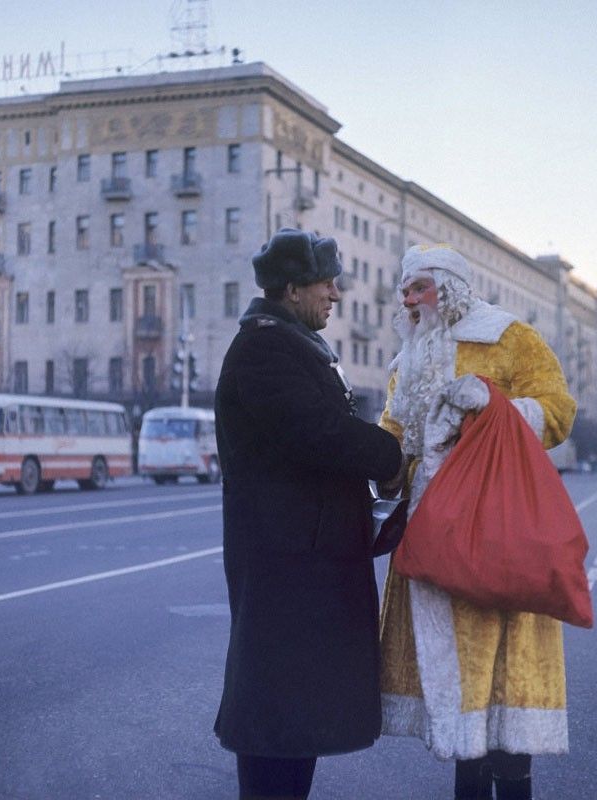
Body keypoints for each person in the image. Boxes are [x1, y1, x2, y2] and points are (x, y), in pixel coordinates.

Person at [378, 244, 577, 800]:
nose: (408, 299)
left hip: (497, 532)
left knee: (504, 697)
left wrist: (493, 412)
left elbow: (557, 407)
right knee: (457, 709)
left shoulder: (508, 337)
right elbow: (394, 429)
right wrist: (380, 465)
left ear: (451, 288)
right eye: (405, 289)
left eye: (418, 287)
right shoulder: (407, 359)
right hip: (429, 539)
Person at [213, 228, 404, 800]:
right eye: (327, 282)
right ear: (291, 288)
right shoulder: (266, 349)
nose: (337, 293)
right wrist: (389, 453)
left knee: (295, 716)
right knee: (277, 714)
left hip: (300, 564)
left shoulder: (291, 345)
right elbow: (317, 433)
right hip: (285, 569)